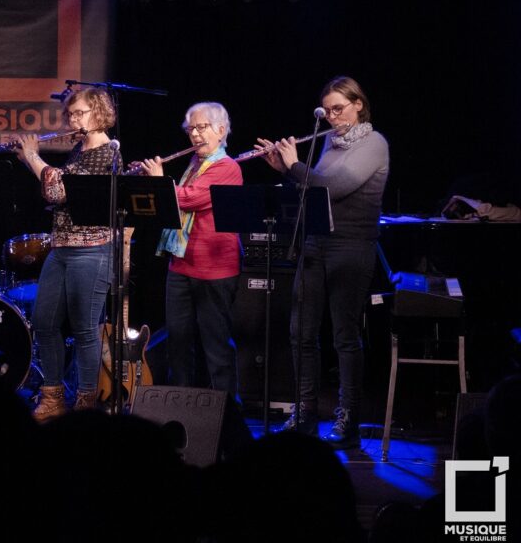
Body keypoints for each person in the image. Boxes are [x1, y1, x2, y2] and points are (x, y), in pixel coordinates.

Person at [255, 75, 389, 447]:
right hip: (316, 244)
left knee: (345, 336)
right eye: (327, 110)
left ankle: (349, 418)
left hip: (352, 246)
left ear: (358, 104)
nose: (332, 117)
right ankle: (305, 411)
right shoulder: (330, 142)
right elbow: (311, 193)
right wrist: (286, 171)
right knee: (301, 333)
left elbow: (332, 187)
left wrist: (294, 166)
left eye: (339, 109)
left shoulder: (375, 144)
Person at [15, 87, 119, 420]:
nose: (73, 119)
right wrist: (33, 163)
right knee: (44, 323)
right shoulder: (77, 149)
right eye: (70, 114)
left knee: (85, 329)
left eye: (80, 113)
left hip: (93, 250)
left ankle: (86, 405)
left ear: (99, 111)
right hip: (61, 248)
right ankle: (53, 399)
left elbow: (61, 192)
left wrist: (33, 157)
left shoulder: (110, 152)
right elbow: (55, 192)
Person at [138, 102, 243, 396]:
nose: (195, 135)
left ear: (221, 131)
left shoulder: (227, 168)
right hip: (181, 266)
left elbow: (191, 199)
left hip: (214, 269)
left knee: (215, 343)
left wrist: (159, 182)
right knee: (178, 342)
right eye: (191, 129)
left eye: (202, 127)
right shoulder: (195, 165)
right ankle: (182, 404)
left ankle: (226, 410)